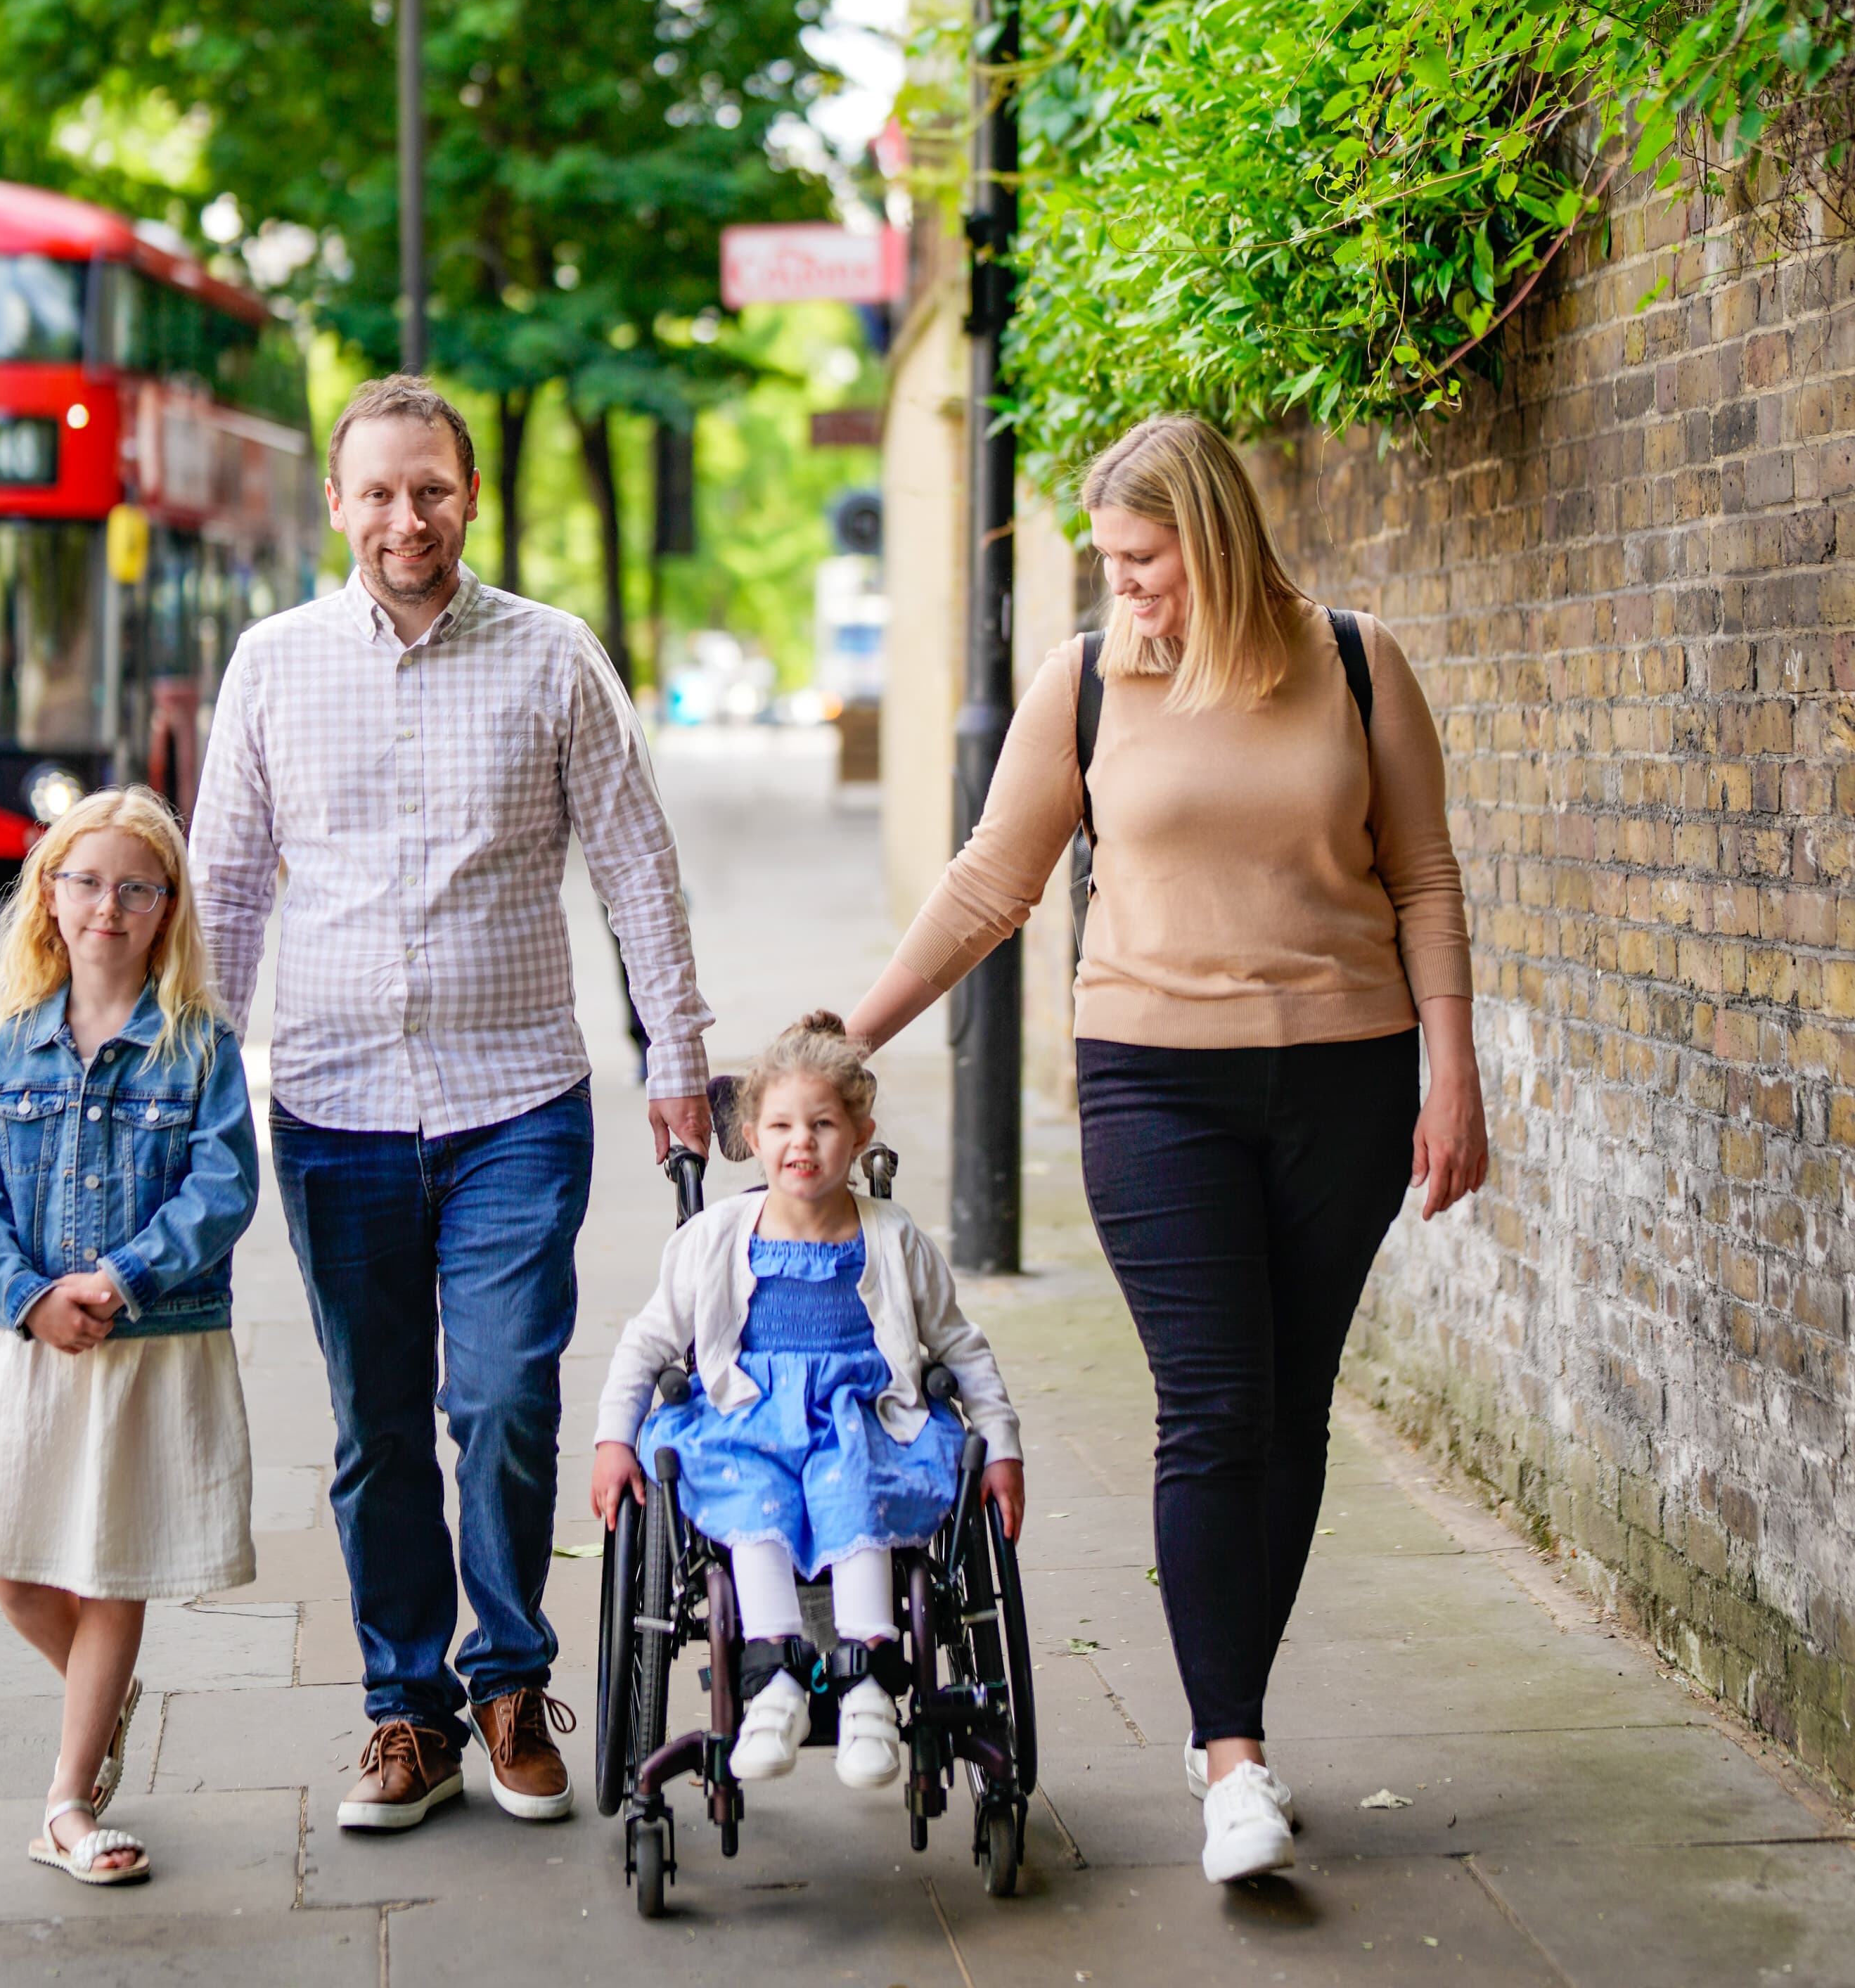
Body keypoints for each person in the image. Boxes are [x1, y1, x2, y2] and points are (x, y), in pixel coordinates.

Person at [846, 416, 1487, 1887]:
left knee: (1288, 1407)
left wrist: (1451, 1071)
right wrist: (855, 1028)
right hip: (1151, 1084)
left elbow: (1424, 873)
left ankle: (1232, 1723)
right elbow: (987, 883)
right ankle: (1230, 1757)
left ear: (1208, 539)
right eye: (1110, 564)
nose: (1122, 587)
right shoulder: (1084, 682)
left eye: (1142, 561)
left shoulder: (1349, 659)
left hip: (1345, 1076)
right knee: (1209, 1405)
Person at [191, 374, 714, 1835]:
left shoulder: (553, 658)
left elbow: (632, 865)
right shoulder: (271, 664)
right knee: (369, 1422)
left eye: (428, 487)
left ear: (467, 496)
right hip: (334, 1107)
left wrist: (673, 1053)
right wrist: (195, 1084)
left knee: (497, 1397)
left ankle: (506, 1682)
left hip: (514, 1104)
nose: (403, 516)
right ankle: (402, 1711)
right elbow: (224, 882)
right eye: (376, 491)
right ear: (338, 505)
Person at [0, 786, 259, 1887]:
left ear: (168, 907)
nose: (108, 906)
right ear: (49, 896)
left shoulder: (199, 1048)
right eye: (85, 882)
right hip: (34, 1344)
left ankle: (67, 1803)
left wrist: (118, 1281)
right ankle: (103, 1685)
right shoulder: (11, 1049)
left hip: (149, 1343)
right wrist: (30, 1294)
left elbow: (222, 1190)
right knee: (12, 1565)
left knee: (109, 1565)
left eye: (135, 887)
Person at [590, 1013, 1023, 1792]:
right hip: (746, 1419)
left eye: (822, 1123)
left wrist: (1001, 1445)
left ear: (859, 1134)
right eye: (782, 1124)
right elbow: (647, 1341)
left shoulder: (891, 1235)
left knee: (850, 1485)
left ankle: (865, 1690)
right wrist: (612, 1439)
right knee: (750, 1495)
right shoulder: (716, 1235)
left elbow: (961, 1345)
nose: (802, 1142)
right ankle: (773, 1683)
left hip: (864, 1418)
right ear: (750, 1136)